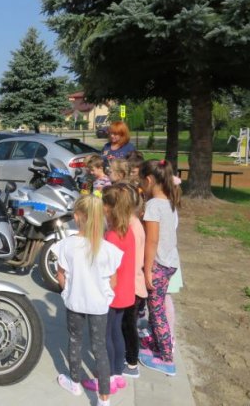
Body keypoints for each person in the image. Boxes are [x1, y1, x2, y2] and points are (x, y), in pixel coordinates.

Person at [55, 195, 123, 406]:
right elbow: (113, 282)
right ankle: (104, 399)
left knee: (75, 340)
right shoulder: (108, 249)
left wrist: (68, 292)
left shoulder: (66, 245)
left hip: (75, 301)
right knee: (99, 348)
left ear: (77, 217)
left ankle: (74, 383)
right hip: (99, 305)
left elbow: (60, 277)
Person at [82, 184, 136, 394]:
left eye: (103, 204)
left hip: (112, 293)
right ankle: (118, 373)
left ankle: (109, 377)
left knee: (104, 337)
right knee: (116, 332)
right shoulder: (128, 231)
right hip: (125, 292)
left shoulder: (112, 236)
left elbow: (106, 267)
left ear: (109, 207)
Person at [138, 159, 180, 376]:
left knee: (156, 312)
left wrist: (147, 270)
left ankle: (166, 359)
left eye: (141, 182)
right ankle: (157, 345)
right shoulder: (169, 201)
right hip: (170, 262)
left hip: (159, 265)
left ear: (148, 180)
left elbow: (152, 240)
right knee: (157, 308)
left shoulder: (153, 205)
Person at [119, 183, 147, 379]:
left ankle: (131, 363)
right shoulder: (132, 222)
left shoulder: (132, 227)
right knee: (125, 325)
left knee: (128, 326)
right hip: (131, 284)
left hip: (132, 286)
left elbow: (133, 261)